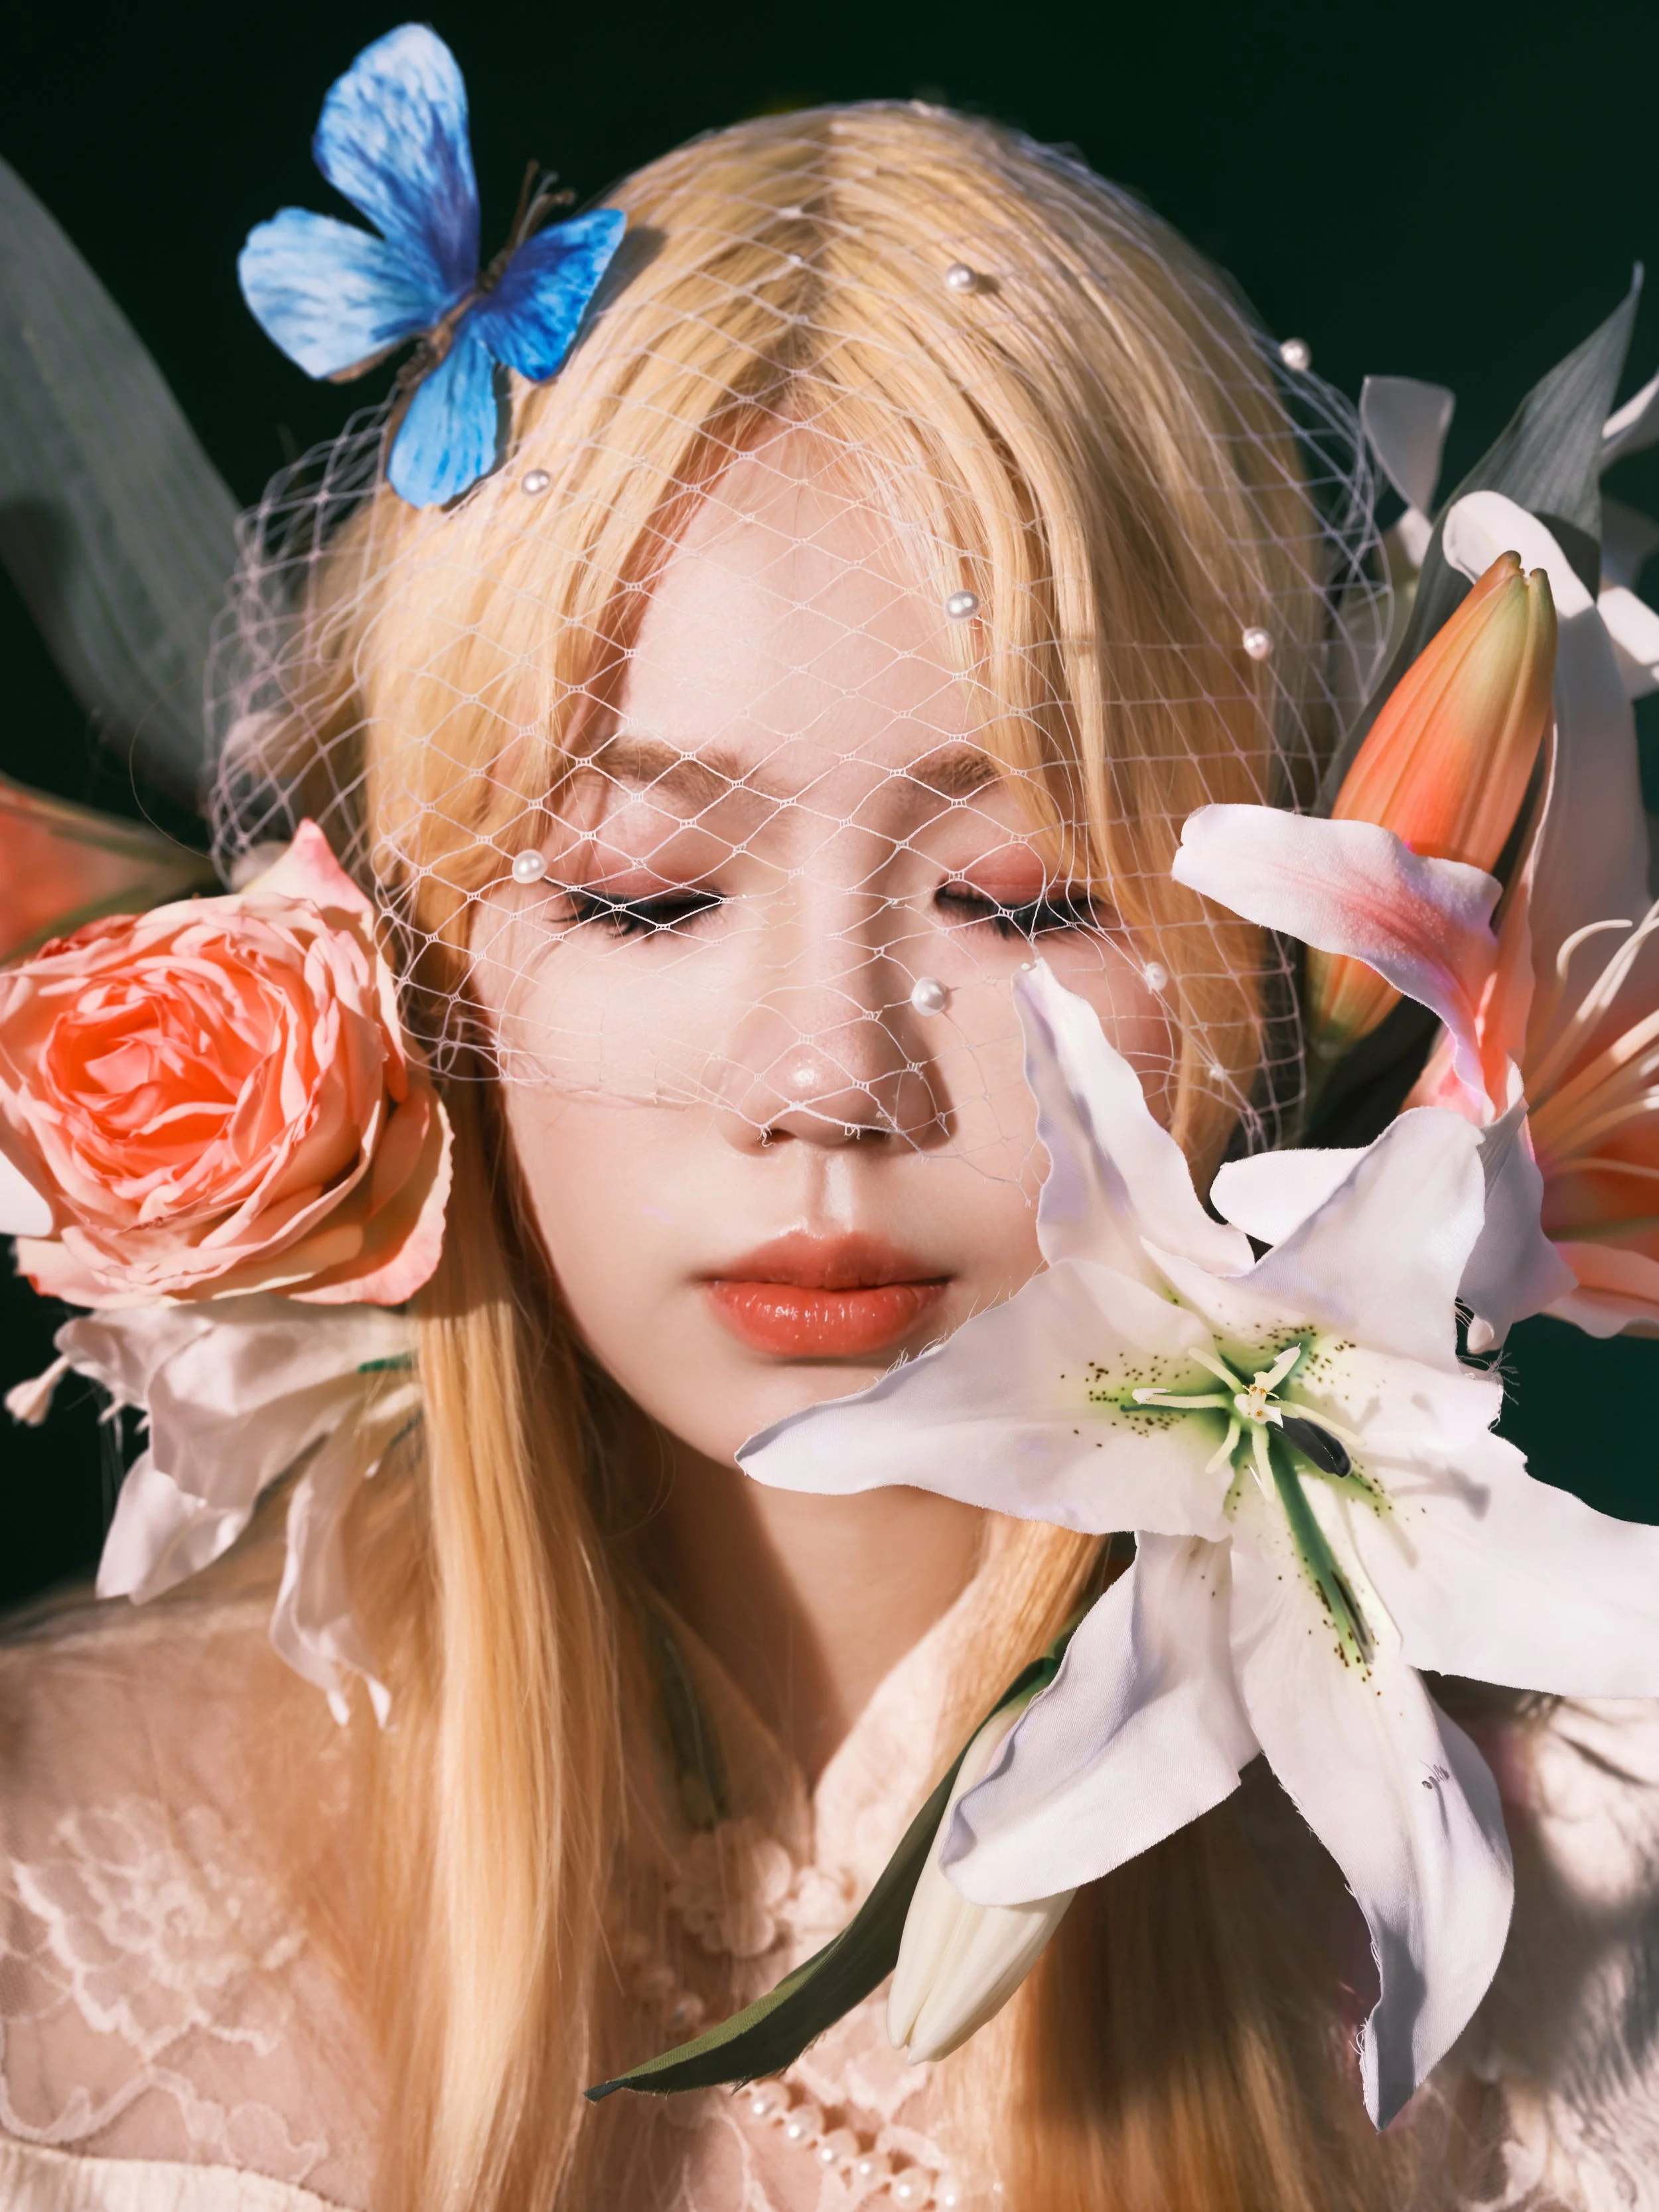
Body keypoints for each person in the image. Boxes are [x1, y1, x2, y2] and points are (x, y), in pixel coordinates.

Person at [4, 48, 1659, 2212]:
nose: (828, 1081)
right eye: (640, 891)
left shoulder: (1587, 1956)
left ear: (1288, 946)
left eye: (1029, 893)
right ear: (407, 954)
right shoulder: (59, 1902)